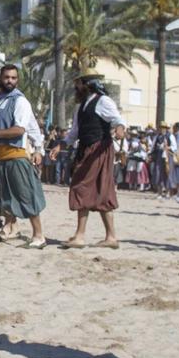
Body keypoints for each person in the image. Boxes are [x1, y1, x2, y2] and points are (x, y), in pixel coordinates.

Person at [0, 62, 47, 246]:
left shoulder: (20, 101)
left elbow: (21, 129)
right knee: (6, 196)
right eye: (7, 77)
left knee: (25, 194)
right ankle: (10, 227)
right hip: (0, 156)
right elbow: (34, 127)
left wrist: (39, 150)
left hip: (16, 155)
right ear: (0, 78)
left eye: (13, 78)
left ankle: (38, 235)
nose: (10, 81)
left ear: (17, 80)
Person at [64, 73, 122, 248]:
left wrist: (120, 128)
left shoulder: (103, 101)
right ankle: (111, 237)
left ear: (87, 85)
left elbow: (117, 119)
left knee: (81, 186)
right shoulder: (81, 107)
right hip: (86, 148)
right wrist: (62, 145)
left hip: (98, 149)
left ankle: (80, 236)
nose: (76, 88)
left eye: (78, 83)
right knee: (101, 191)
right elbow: (75, 132)